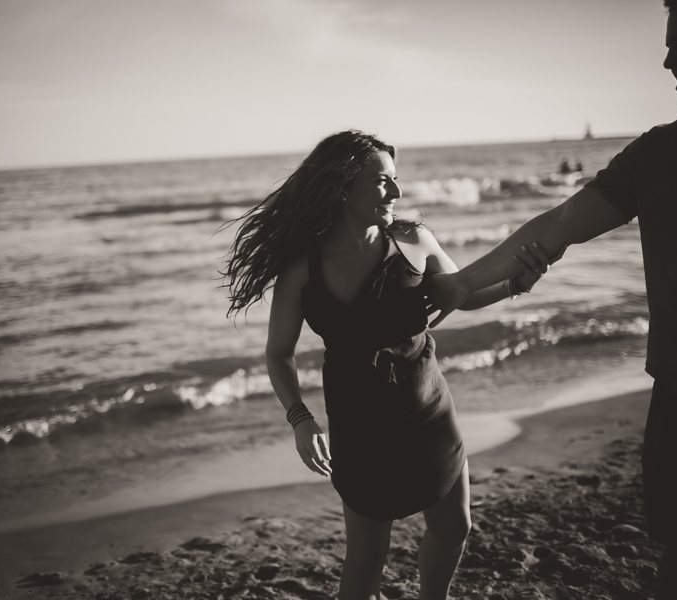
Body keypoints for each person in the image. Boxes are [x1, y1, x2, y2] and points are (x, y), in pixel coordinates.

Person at [425, 2, 677, 598]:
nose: (666, 58)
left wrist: (463, 286)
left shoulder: (662, 155)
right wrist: (461, 286)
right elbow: (561, 224)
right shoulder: (659, 156)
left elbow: (559, 223)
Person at [221, 130, 550, 600]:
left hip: (429, 409)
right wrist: (299, 418)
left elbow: (463, 292)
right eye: (382, 182)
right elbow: (278, 354)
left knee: (455, 526)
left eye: (396, 180)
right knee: (366, 557)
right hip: (359, 425)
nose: (396, 192)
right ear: (342, 187)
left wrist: (516, 284)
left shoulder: (414, 240)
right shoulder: (303, 268)